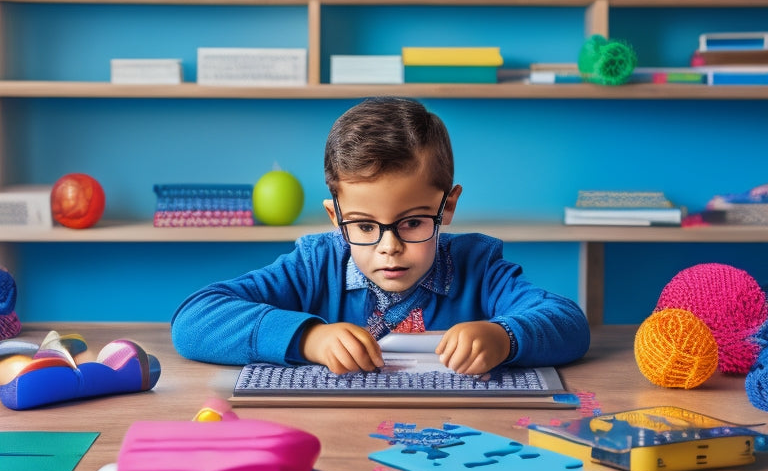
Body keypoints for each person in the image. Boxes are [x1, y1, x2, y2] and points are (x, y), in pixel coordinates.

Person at [171, 97, 590, 374]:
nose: (389, 247)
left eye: (412, 223)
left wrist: (505, 337)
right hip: (335, 436)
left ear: (447, 206)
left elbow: (570, 323)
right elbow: (194, 320)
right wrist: (310, 338)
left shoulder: (477, 267)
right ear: (335, 218)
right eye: (365, 227)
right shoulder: (314, 266)